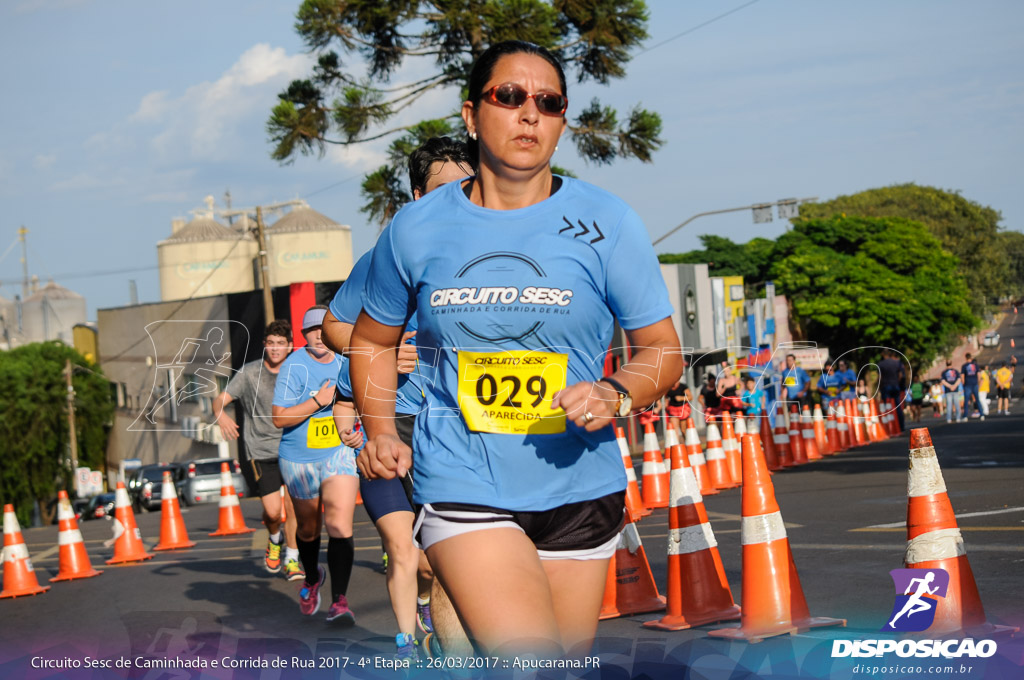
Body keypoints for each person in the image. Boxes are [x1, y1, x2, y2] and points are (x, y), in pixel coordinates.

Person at [349, 40, 682, 658]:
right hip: (462, 476)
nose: (529, 113)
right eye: (509, 96)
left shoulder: (608, 222)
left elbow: (662, 350)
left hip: (579, 483)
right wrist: (379, 431)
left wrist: (615, 391)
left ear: (560, 121)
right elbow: (370, 339)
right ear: (473, 115)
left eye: (548, 102)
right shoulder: (417, 227)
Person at [323, 136, 475, 659]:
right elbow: (336, 328)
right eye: (441, 190)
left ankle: (445, 634)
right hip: (398, 424)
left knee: (443, 561)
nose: (457, 198)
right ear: (416, 196)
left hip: (470, 425)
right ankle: (416, 644)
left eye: (466, 185)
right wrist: (381, 353)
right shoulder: (390, 252)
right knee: (410, 552)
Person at [272, 306, 359, 622]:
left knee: (339, 525)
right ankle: (312, 577)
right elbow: (279, 417)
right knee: (308, 530)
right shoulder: (293, 367)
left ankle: (340, 601)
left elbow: (365, 401)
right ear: (304, 335)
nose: (319, 336)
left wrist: (356, 430)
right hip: (299, 458)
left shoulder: (346, 362)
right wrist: (317, 402)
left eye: (324, 329)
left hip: (338, 454)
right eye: (312, 330)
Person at [213, 320, 302, 579]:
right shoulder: (249, 373)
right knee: (274, 512)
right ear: (265, 345)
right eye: (271, 344)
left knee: (294, 507)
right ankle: (275, 538)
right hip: (261, 450)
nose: (275, 349)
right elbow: (220, 399)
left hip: (293, 447)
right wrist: (221, 415)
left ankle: (292, 559)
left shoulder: (298, 371)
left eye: (281, 344)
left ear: (290, 346)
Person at [877, 350, 906, 431]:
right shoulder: (896, 363)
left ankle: (889, 427)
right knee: (898, 406)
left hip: (886, 387)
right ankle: (901, 426)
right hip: (895, 386)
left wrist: (879, 387)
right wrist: (897, 382)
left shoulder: (881, 364)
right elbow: (900, 375)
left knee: (887, 408)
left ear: (882, 354)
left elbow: (880, 378)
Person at [960, 353, 982, 421]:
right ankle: (982, 414)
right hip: (974, 384)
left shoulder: (964, 366)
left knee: (966, 401)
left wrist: (963, 384)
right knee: (977, 400)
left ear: (966, 358)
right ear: (971, 357)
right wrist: (977, 382)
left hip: (968, 385)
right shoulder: (975, 365)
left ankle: (965, 416)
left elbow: (962, 376)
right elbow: (979, 375)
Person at [940, 359, 962, 424]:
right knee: (956, 404)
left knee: (949, 405)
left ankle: (949, 419)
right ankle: (958, 418)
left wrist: (950, 386)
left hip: (948, 391)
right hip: (954, 390)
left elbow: (943, 381)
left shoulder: (944, 372)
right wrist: (954, 386)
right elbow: (959, 379)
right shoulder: (955, 371)